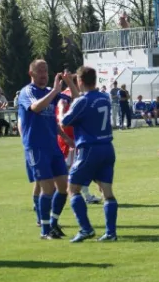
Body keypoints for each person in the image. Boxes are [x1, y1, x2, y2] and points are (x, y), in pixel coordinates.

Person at [18, 59, 79, 239]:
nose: (44, 75)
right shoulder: (27, 91)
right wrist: (54, 91)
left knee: (63, 187)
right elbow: (36, 108)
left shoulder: (49, 93)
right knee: (47, 188)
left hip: (53, 146)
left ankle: (53, 224)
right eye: (39, 71)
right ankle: (45, 230)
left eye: (46, 71)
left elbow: (76, 100)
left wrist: (68, 83)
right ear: (31, 74)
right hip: (36, 147)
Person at [62, 67, 118, 242]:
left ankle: (86, 229)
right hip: (107, 147)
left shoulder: (82, 101)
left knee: (72, 189)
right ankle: (110, 233)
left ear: (80, 81)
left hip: (89, 148)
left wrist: (64, 110)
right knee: (107, 191)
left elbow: (65, 122)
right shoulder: (105, 97)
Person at [56, 87, 102, 205]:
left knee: (76, 168)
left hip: (73, 139)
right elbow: (63, 124)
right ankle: (49, 196)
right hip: (70, 141)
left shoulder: (67, 100)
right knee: (67, 170)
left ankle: (86, 195)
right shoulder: (66, 102)